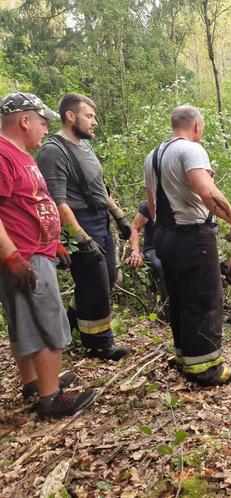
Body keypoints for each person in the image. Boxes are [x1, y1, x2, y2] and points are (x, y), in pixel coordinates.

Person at [0, 92, 96, 417]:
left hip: (34, 251)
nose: (44, 130)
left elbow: (30, 205)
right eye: (42, 123)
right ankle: (51, 398)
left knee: (25, 323)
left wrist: (54, 241)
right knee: (47, 323)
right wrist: (12, 254)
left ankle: (35, 382)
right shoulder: (2, 154)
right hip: (24, 256)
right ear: (24, 121)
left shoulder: (22, 154)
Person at [144, 105, 231, 386]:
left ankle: (184, 356)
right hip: (192, 236)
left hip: (164, 235)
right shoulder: (191, 150)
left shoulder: (153, 156)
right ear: (196, 125)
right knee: (204, 299)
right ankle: (207, 367)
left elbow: (152, 206)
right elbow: (208, 192)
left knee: (179, 298)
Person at [36, 93, 130, 361]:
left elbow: (99, 188)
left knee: (108, 279)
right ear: (70, 116)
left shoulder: (85, 146)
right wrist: (81, 237)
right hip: (78, 223)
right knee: (95, 285)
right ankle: (99, 344)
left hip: (100, 219)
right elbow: (57, 201)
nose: (95, 122)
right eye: (89, 116)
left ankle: (75, 321)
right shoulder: (54, 151)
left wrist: (119, 216)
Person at [126, 201, 168, 301]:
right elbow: (134, 228)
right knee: (164, 266)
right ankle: (168, 306)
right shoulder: (150, 204)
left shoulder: (180, 201)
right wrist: (135, 251)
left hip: (173, 247)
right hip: (153, 249)